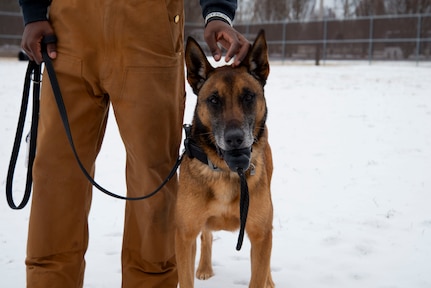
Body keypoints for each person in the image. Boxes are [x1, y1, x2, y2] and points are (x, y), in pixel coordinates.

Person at [18, 0, 250, 287]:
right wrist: (33, 12)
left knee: (152, 183)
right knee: (55, 180)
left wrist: (217, 11)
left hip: (148, 30)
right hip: (68, 32)